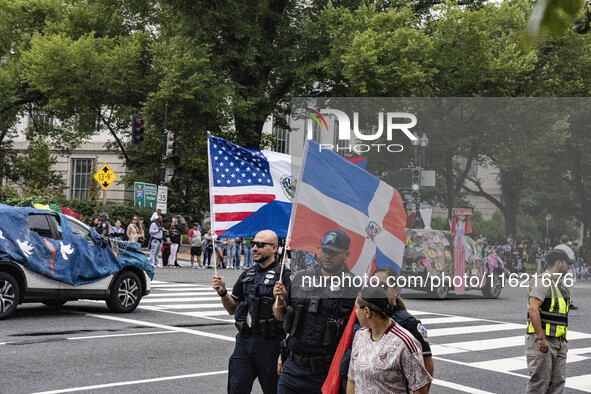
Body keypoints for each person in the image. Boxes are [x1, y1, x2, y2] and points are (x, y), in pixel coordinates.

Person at [273, 229, 360, 393]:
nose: (327, 256)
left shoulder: (353, 286)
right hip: (292, 367)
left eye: (334, 253)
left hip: (326, 372)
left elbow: (358, 333)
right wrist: (279, 300)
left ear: (346, 255)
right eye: (325, 251)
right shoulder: (300, 278)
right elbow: (284, 317)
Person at [212, 230, 291, 394]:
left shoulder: (284, 276)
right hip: (245, 343)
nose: (254, 248)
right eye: (253, 244)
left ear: (274, 247)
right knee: (236, 389)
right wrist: (222, 292)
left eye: (260, 245)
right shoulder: (248, 273)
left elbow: (288, 318)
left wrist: (281, 299)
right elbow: (232, 308)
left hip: (271, 345)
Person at [347, 286, 432, 394]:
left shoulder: (404, 343)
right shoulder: (359, 336)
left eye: (357, 308)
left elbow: (420, 389)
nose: (355, 312)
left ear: (367, 311)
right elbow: (352, 379)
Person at [372, 266, 434, 382]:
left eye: (383, 286)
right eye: (373, 285)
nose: (377, 290)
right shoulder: (367, 318)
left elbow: (426, 365)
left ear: (396, 290)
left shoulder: (408, 324)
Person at [525, 249, 574, 394]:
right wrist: (541, 338)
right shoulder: (543, 281)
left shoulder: (560, 285)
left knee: (557, 384)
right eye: (567, 263)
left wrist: (562, 343)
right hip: (543, 341)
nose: (569, 267)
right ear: (559, 263)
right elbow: (533, 309)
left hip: (558, 341)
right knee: (539, 384)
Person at [554, 235, 578, 310]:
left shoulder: (556, 248)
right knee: (569, 286)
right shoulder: (569, 250)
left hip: (557, 269)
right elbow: (571, 261)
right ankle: (569, 302)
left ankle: (555, 301)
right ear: (567, 242)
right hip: (567, 269)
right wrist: (573, 271)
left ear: (560, 240)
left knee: (556, 285)